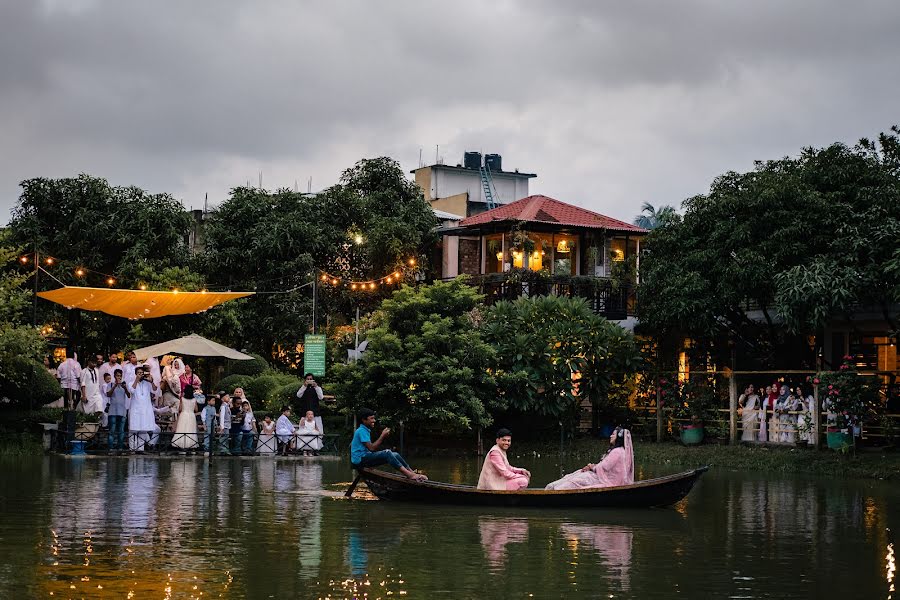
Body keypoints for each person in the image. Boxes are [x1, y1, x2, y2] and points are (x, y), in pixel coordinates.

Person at [546, 427, 634, 490]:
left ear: (619, 437)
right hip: (605, 477)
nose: (611, 436)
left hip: (609, 481)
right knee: (579, 473)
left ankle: (558, 490)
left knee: (581, 477)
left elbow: (604, 467)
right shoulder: (620, 450)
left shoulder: (617, 451)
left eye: (613, 434)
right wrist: (592, 467)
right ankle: (555, 488)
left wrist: (591, 467)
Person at [350, 408, 426, 480]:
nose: (374, 420)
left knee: (395, 454)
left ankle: (411, 472)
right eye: (372, 418)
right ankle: (410, 475)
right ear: (364, 420)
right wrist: (382, 436)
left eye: (374, 418)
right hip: (359, 461)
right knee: (387, 453)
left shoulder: (365, 430)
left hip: (364, 457)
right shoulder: (361, 431)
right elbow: (372, 448)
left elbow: (368, 449)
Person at [128, 365, 158, 452]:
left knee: (142, 430)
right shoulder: (131, 382)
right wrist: (136, 380)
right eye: (138, 373)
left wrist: (151, 381)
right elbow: (131, 391)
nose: (140, 375)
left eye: (142, 373)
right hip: (135, 409)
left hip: (145, 409)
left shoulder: (147, 383)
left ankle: (140, 449)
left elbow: (155, 390)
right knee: (133, 429)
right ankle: (132, 449)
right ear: (135, 374)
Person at [105, 368, 130, 453]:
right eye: (117, 376)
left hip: (122, 410)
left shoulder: (124, 385)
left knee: (121, 431)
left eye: (120, 376)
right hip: (113, 411)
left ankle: (120, 448)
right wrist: (115, 385)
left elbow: (129, 395)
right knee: (112, 430)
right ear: (114, 376)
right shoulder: (111, 384)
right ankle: (110, 448)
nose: (119, 377)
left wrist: (125, 387)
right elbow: (108, 394)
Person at [172, 380, 200, 450]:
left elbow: (180, 409)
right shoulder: (194, 400)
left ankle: (181, 446)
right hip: (191, 416)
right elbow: (196, 409)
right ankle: (191, 445)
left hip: (183, 415)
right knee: (191, 430)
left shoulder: (182, 399)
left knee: (182, 429)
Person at [78, 357, 106, 421]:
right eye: (92, 362)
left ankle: (95, 419)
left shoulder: (96, 370)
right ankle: (91, 421)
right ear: (88, 362)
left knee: (99, 408)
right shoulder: (84, 371)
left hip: (96, 393)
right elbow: (83, 384)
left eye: (95, 363)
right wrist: (84, 395)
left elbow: (97, 382)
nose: (94, 364)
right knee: (88, 412)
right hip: (88, 394)